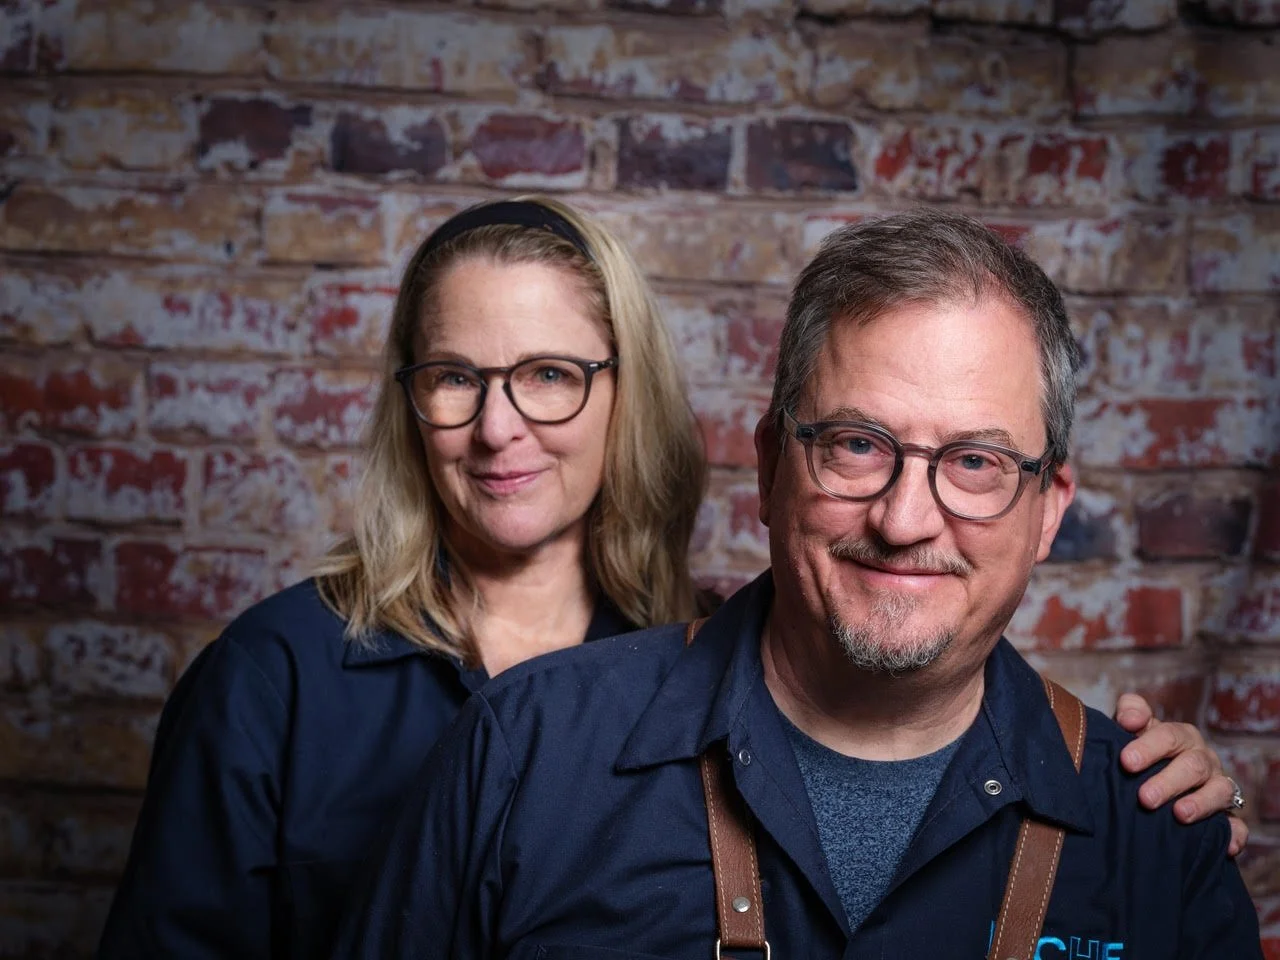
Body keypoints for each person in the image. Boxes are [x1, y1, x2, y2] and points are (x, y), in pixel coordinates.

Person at [98, 199, 1244, 960]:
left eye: (547, 374)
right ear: (771, 461)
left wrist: (1150, 811)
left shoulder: (685, 638)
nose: (500, 426)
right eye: (455, 376)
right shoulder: (306, 683)